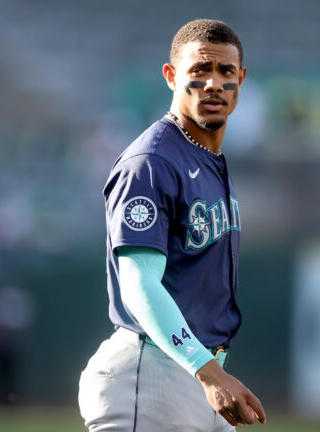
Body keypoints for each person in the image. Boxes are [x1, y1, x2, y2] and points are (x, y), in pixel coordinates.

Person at [78, 19, 266, 431]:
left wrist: (209, 369)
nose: (213, 83)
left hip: (194, 371)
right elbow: (139, 284)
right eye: (199, 70)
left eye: (225, 72)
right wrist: (209, 371)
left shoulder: (206, 159)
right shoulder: (153, 161)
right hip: (153, 374)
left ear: (241, 80)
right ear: (171, 76)